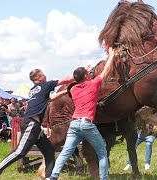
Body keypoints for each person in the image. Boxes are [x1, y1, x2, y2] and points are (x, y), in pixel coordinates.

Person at [0, 69, 74, 180]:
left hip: (35, 126)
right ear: (40, 78)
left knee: (49, 150)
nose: (45, 75)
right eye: (43, 74)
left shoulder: (33, 90)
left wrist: (66, 91)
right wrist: (82, 74)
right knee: (20, 151)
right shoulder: (45, 85)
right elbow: (68, 79)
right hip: (31, 124)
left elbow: (51, 98)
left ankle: (49, 177)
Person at [47, 47, 116, 180]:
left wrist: (84, 69)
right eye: (88, 73)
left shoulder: (73, 89)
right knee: (101, 152)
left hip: (74, 124)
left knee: (65, 152)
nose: (90, 74)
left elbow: (75, 80)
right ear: (85, 76)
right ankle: (104, 178)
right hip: (86, 124)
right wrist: (111, 56)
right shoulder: (93, 84)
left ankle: (53, 177)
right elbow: (106, 70)